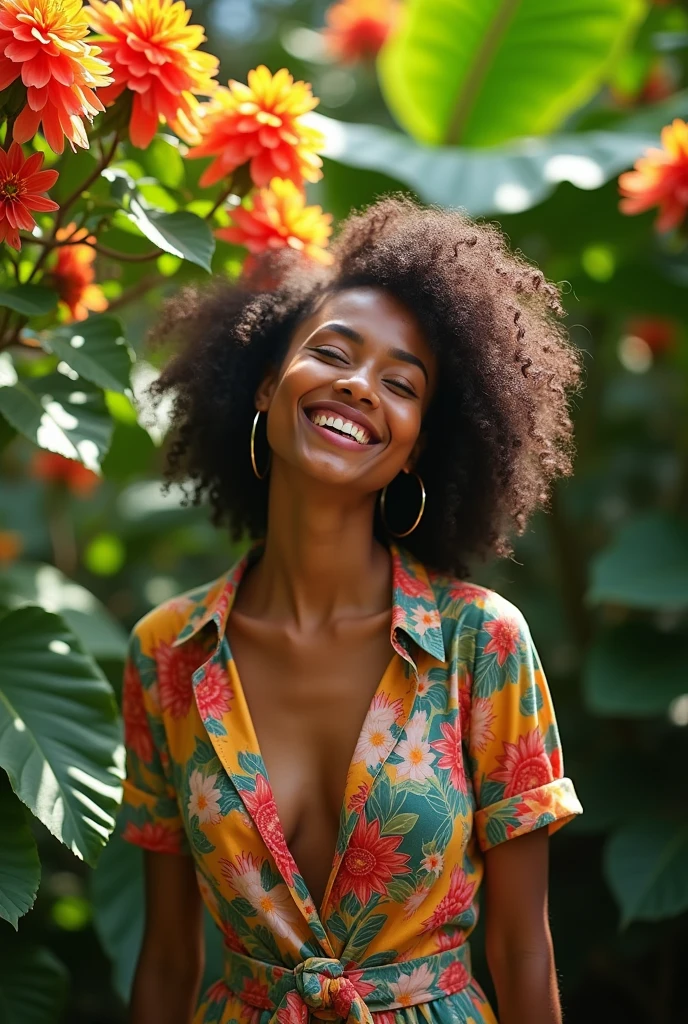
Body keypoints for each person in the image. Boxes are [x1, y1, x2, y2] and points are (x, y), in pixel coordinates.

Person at [120, 195, 584, 1024]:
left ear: (416, 445)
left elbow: (523, 950)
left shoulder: (482, 645)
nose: (359, 386)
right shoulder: (169, 655)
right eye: (334, 352)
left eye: (401, 384)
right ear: (267, 386)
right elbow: (165, 957)